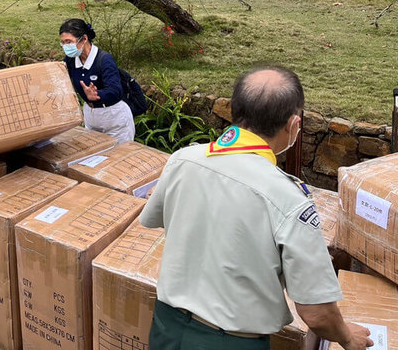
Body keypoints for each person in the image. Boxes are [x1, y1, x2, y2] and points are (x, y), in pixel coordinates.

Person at [139, 67, 373, 350]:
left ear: (235, 110)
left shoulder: (183, 159)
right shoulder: (289, 199)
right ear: (294, 125)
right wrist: (348, 337)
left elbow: (160, 220)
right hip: (231, 343)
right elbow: (316, 312)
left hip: (166, 328)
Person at [59, 19, 135, 144]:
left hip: (113, 118)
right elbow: (58, 77)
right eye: (63, 43)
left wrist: (97, 95)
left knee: (117, 157)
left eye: (69, 42)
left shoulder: (104, 60)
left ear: (84, 39)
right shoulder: (71, 60)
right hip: (91, 116)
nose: (66, 47)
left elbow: (116, 91)